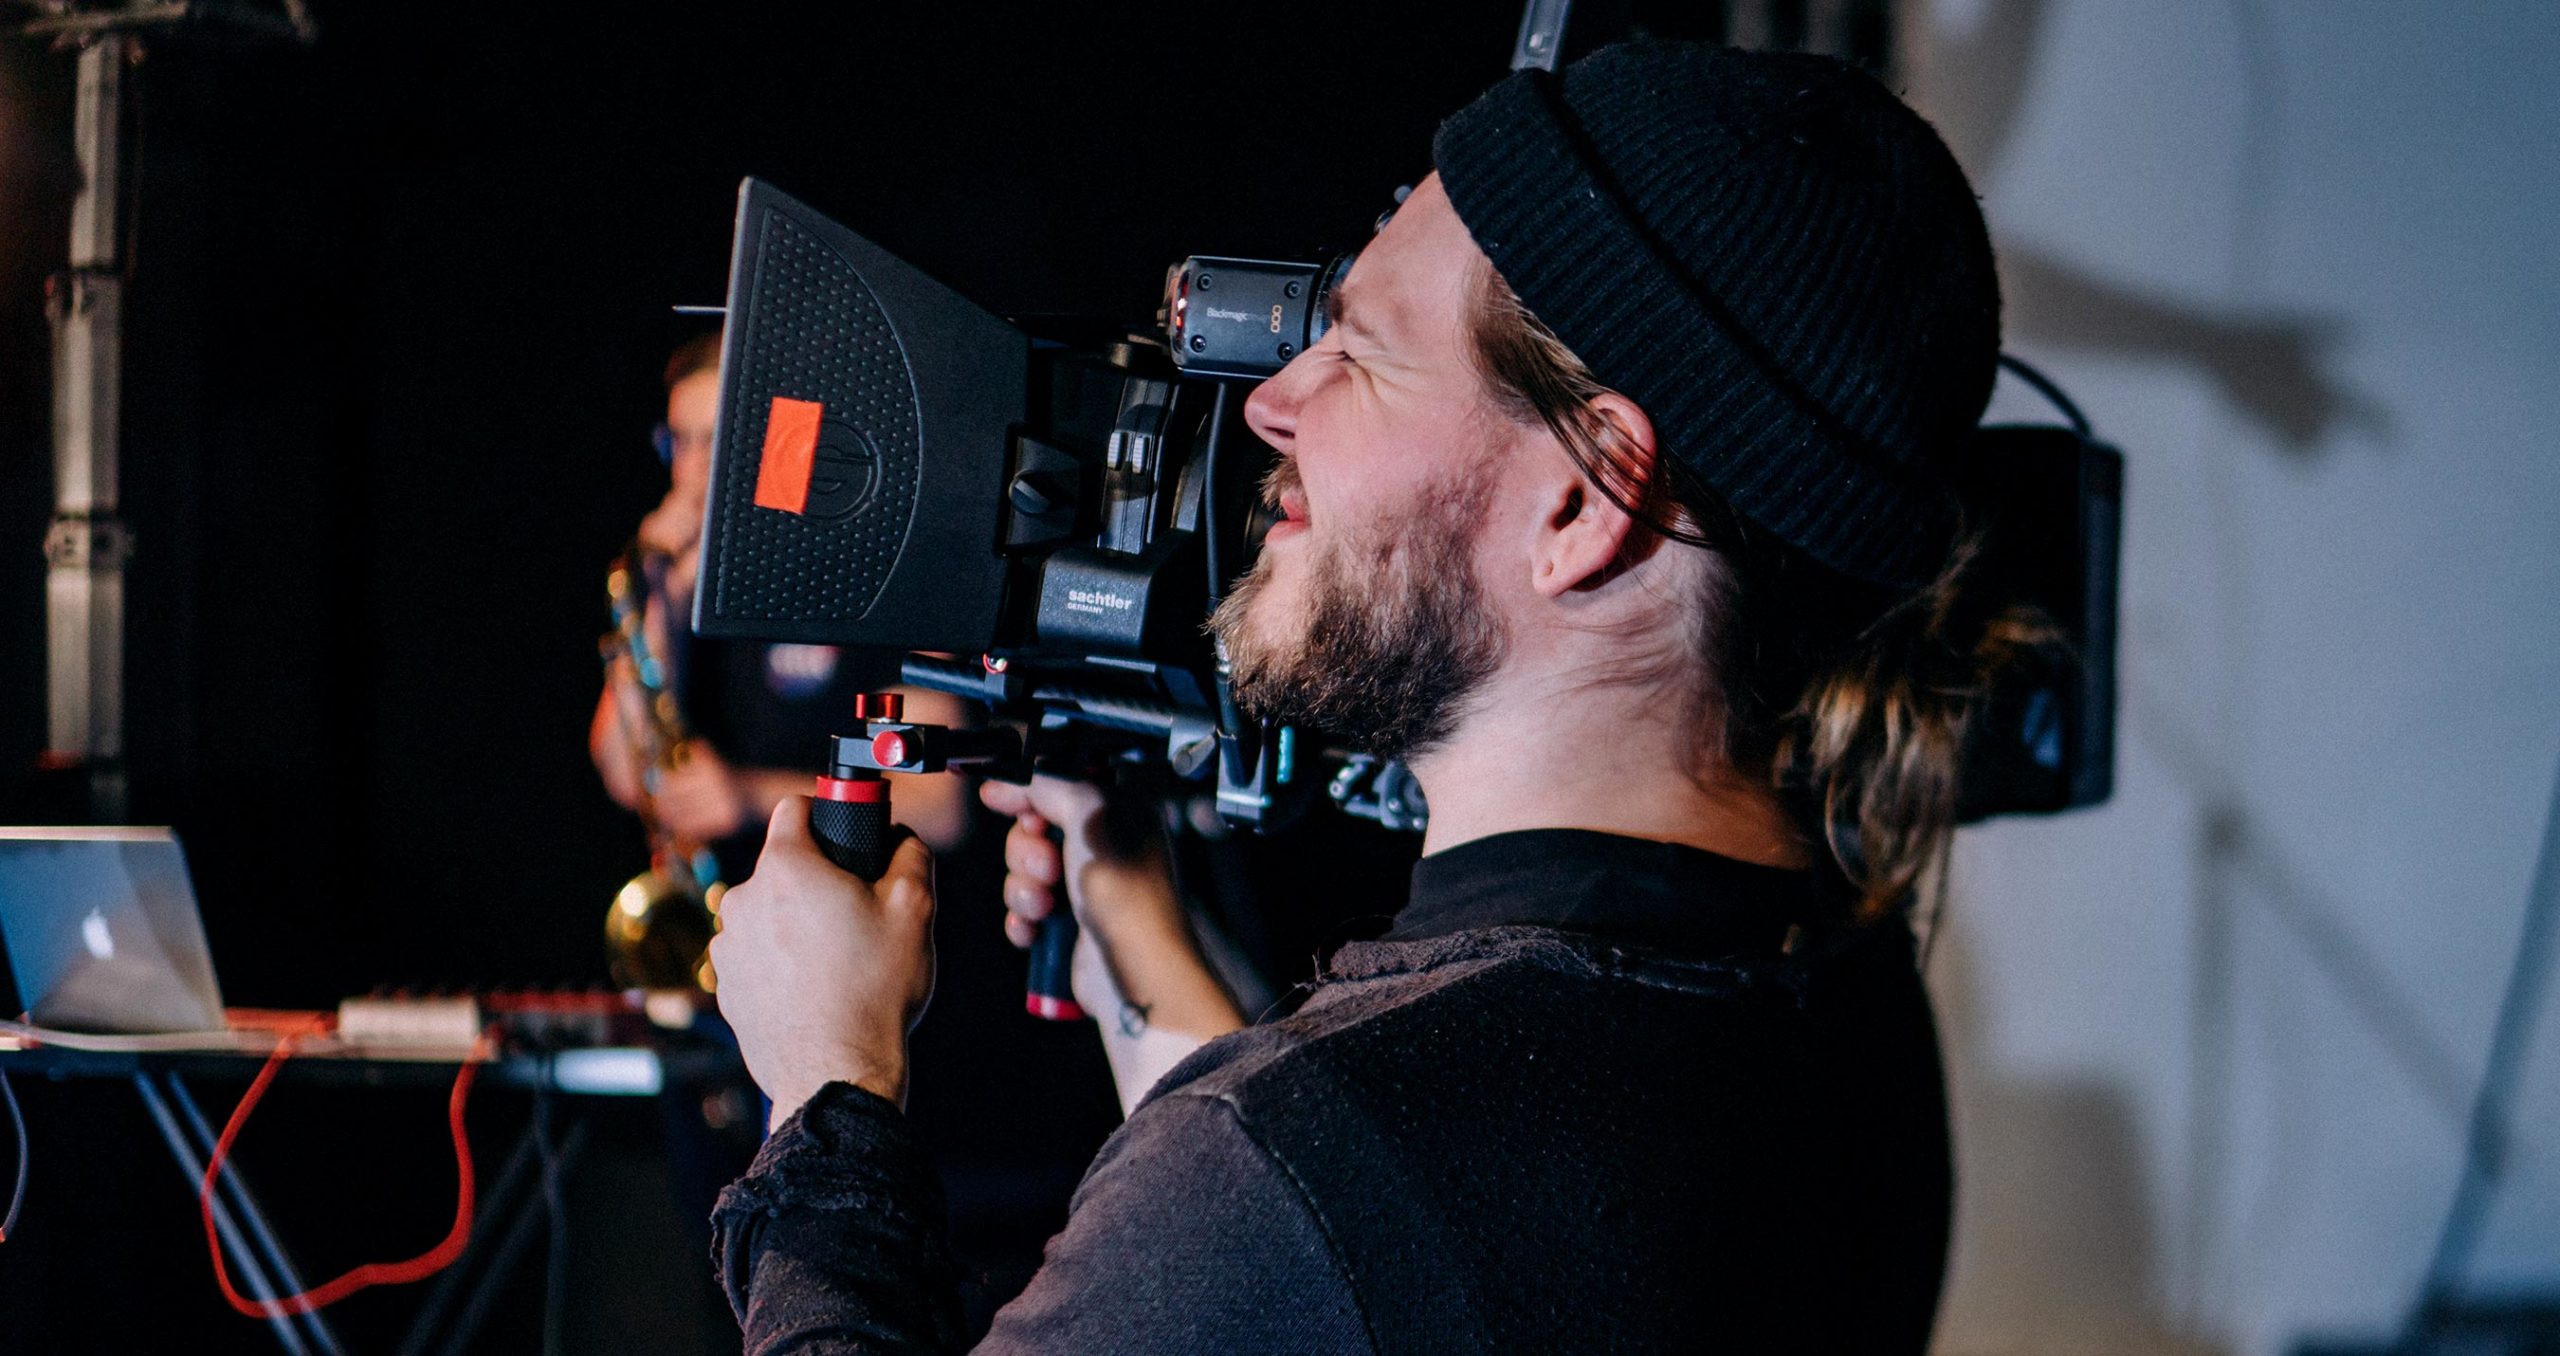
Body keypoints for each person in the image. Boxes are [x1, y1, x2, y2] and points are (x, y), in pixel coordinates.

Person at [705, 41, 2046, 1351]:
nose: (1273, 402)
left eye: (1363, 352)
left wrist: (828, 1092)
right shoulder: (1852, 997)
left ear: (1582, 504)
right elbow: (1362, 1276)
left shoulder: (1296, 1171)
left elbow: (1311, 1226)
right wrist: (1130, 923)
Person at [590, 335, 971, 881]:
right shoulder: (682, 585)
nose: (692, 472)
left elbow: (940, 807)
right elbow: (625, 775)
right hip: (725, 902)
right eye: (679, 442)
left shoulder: (871, 576)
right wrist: (659, 607)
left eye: (716, 440)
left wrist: (751, 797)